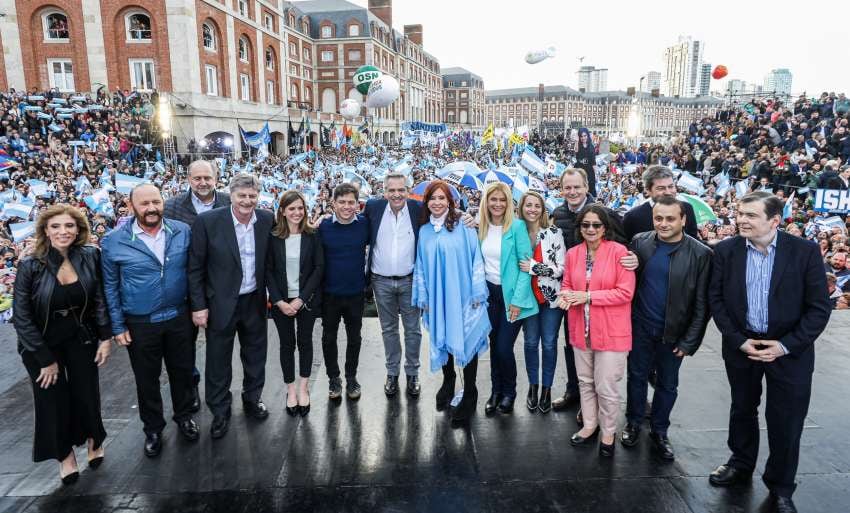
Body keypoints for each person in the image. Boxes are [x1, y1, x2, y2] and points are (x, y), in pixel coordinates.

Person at [708, 191, 831, 513]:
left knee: (786, 421)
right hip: (743, 347)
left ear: (775, 221)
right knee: (742, 409)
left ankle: (780, 486)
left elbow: (818, 308)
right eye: (739, 213)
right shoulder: (725, 251)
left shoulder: (804, 252)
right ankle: (740, 463)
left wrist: (785, 345)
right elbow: (716, 301)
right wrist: (737, 340)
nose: (741, 220)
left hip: (790, 351)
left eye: (750, 215)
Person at [12, 204, 112, 485]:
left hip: (81, 336)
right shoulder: (30, 265)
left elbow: (100, 300)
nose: (63, 232)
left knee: (86, 392)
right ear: (45, 230)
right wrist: (45, 358)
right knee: (52, 400)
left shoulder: (91, 256)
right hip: (41, 345)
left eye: (69, 226)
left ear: (79, 229)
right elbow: (21, 316)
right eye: (55, 226)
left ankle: (95, 439)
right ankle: (65, 455)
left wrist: (105, 337)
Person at [101, 183, 199, 457]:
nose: (151, 208)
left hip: (179, 317)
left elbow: (193, 273)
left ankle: (184, 417)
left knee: (183, 372)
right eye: (144, 204)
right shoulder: (113, 240)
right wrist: (117, 326)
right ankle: (153, 428)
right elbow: (110, 287)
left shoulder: (182, 231)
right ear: (131, 206)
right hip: (140, 322)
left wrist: (196, 308)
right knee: (147, 379)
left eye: (156, 202)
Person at [621, 196, 712, 460]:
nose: (663, 223)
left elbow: (703, 305)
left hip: (674, 334)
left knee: (667, 385)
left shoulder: (702, 254)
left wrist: (689, 342)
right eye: (658, 218)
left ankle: (660, 432)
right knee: (636, 377)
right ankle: (633, 422)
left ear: (683, 219)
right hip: (640, 328)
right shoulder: (640, 241)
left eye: (670, 218)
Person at [188, 174, 274, 439]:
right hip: (220, 303)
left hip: (254, 300)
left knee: (255, 355)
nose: (247, 201)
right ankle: (220, 411)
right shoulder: (208, 222)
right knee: (218, 360)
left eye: (251, 196)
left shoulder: (267, 220)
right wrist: (199, 306)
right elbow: (195, 268)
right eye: (242, 196)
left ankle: (252, 399)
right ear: (231, 196)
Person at [550, 168, 635, 416]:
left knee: (603, 355)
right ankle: (575, 392)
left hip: (603, 295)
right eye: (568, 187)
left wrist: (634, 258)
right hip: (572, 294)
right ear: (562, 189)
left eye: (577, 187)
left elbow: (625, 246)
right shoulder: (558, 214)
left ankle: (600, 401)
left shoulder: (605, 214)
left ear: (587, 187)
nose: (572, 192)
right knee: (573, 345)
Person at [559, 204, 635, 457]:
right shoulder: (573, 254)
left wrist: (588, 296)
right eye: (585, 225)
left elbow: (625, 293)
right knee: (585, 381)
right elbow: (567, 284)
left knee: (606, 385)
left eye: (596, 225)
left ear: (605, 228)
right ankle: (590, 424)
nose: (590, 229)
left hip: (611, 331)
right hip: (581, 328)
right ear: (579, 227)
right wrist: (566, 295)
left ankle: (609, 431)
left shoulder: (619, 252)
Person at [411, 180, 490, 424]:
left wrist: (478, 292)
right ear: (427, 202)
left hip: (464, 296)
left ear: (450, 201)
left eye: (441, 198)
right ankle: (448, 382)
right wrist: (423, 296)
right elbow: (421, 265)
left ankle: (470, 391)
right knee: (443, 338)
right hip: (438, 298)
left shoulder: (464, 225)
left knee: (468, 340)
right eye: (432, 198)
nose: (437, 203)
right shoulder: (423, 230)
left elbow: (477, 258)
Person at [163, 159, 231, 413]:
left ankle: (220, 392)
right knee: (184, 345)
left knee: (221, 344)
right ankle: (190, 389)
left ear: (216, 178)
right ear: (188, 179)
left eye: (207, 178)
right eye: (197, 178)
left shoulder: (229, 201)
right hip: (186, 286)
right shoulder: (171, 207)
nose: (203, 183)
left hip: (223, 286)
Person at [478, 182, 538, 415]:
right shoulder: (481, 227)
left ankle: (509, 392)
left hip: (512, 297)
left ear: (509, 203)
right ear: (487, 201)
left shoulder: (517, 227)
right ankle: (495, 392)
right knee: (494, 346)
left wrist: (517, 302)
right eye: (493, 199)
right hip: (489, 295)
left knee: (504, 347)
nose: (498, 204)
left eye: (503, 200)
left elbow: (526, 266)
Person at [363, 173, 424, 398]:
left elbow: (443, 215)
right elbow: (354, 224)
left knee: (413, 330)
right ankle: (392, 373)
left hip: (409, 280)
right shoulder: (373, 208)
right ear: (384, 191)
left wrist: (465, 217)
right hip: (381, 281)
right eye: (392, 190)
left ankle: (412, 374)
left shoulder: (418, 209)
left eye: (401, 190)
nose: (396, 194)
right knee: (388, 329)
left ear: (408, 191)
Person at [266, 191, 324, 417]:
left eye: (300, 208)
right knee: (286, 345)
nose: (297, 212)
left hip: (305, 300)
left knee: (305, 342)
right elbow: (268, 270)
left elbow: (319, 268)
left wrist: (301, 299)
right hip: (281, 301)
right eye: (292, 209)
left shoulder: (313, 235)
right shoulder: (273, 237)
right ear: (282, 211)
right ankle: (290, 390)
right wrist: (279, 301)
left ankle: (303, 387)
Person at [318, 182, 370, 401]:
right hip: (329, 294)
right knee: (328, 338)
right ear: (333, 203)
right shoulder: (323, 226)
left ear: (357, 204)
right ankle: (333, 378)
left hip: (356, 292)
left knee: (354, 339)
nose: (347, 206)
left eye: (351, 202)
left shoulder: (365, 225)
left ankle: (351, 377)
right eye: (342, 202)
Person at [517, 191, 564, 413]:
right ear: (522, 207)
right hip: (527, 299)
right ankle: (533, 387)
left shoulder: (554, 233)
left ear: (543, 209)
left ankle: (547, 389)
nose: (532, 209)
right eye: (528, 205)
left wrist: (535, 267)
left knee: (548, 344)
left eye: (537, 205)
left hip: (549, 299)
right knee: (529, 343)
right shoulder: (516, 231)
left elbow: (561, 269)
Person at [623, 165, 700, 241]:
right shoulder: (633, 217)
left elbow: (693, 242)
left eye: (671, 186)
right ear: (647, 190)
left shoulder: (687, 208)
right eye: (661, 188)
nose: (668, 192)